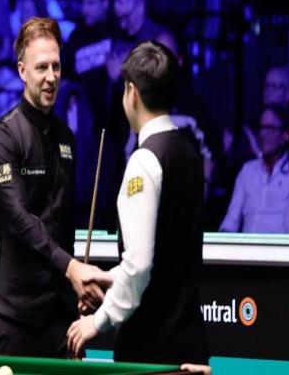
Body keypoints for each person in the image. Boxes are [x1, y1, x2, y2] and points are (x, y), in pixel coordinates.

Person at [66, 41, 209, 366]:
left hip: (150, 351)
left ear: (131, 92)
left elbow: (140, 266)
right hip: (190, 347)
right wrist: (110, 278)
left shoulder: (145, 161)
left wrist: (98, 321)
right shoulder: (189, 152)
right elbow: (165, 257)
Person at [0, 17, 105, 357]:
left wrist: (75, 288)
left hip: (61, 319)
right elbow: (19, 219)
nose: (51, 77)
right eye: (41, 68)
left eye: (56, 66)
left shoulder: (66, 138)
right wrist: (72, 267)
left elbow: (63, 222)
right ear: (22, 71)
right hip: (12, 318)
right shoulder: (2, 138)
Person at [220, 105, 289, 233]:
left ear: (285, 135)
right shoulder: (248, 170)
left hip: (279, 245)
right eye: (261, 128)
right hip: (245, 245)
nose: (262, 134)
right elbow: (231, 220)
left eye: (270, 128)